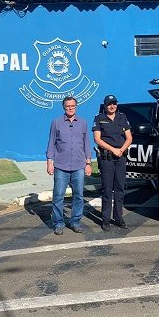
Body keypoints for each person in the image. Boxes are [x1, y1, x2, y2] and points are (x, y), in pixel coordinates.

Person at [46, 96, 92, 235]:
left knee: (78, 195)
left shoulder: (83, 122)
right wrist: (50, 162)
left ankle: (75, 222)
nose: (70, 108)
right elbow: (51, 143)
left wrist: (88, 163)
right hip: (61, 166)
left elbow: (87, 144)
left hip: (79, 165)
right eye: (67, 106)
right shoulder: (56, 122)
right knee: (58, 196)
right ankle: (59, 223)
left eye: (72, 106)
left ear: (76, 107)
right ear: (64, 107)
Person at [92, 94, 133, 231]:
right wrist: (113, 149)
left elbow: (129, 138)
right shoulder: (99, 118)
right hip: (107, 158)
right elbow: (97, 139)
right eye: (109, 104)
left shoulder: (123, 117)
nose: (112, 106)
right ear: (105, 105)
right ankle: (105, 219)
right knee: (107, 190)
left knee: (120, 189)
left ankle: (119, 217)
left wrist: (121, 150)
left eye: (114, 103)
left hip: (120, 157)